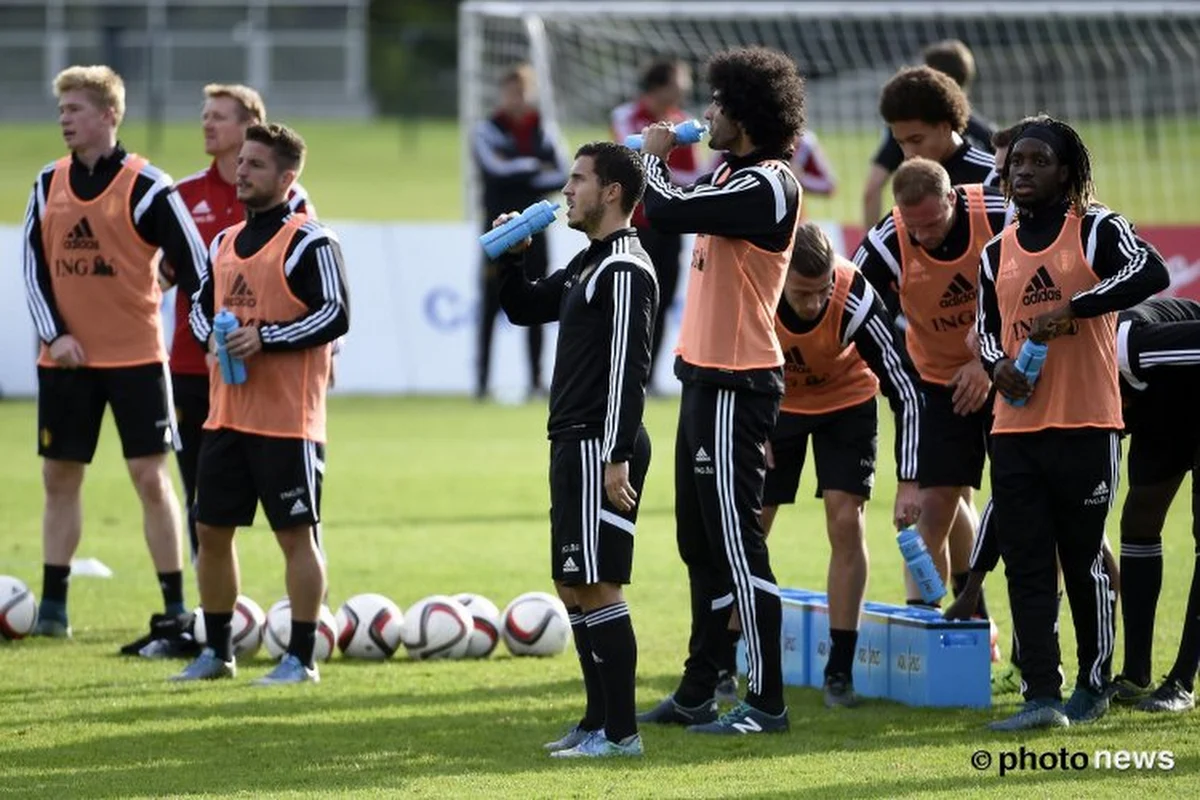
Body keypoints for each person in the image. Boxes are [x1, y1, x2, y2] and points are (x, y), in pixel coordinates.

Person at [976, 115, 1169, 730]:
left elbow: (1151, 272)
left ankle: (1095, 683)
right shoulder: (994, 251)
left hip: (1086, 423)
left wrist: (1074, 307)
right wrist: (997, 366)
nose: (1023, 172)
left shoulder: (1095, 228)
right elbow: (982, 330)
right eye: (1016, 163)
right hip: (1014, 429)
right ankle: (1040, 695)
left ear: (1067, 171)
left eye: (1038, 161)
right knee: (1026, 561)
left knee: (1082, 558)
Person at [635, 46, 805, 735]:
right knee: (698, 546)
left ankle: (766, 700)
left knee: (738, 544)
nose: (704, 115)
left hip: (740, 380)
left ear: (746, 113)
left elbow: (668, 210)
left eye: (715, 103)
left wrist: (650, 158)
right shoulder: (732, 171)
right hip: (702, 376)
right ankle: (701, 687)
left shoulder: (769, 182)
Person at [21, 65, 208, 639]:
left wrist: (190, 319)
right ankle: (53, 608)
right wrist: (55, 335)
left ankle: (175, 604)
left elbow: (197, 265)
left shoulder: (149, 186)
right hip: (67, 361)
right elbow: (32, 268)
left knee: (150, 478)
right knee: (59, 477)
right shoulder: (46, 182)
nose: (64, 120)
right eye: (61, 111)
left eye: (74, 110)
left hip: (136, 359)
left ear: (108, 115)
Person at [493, 140, 657, 758]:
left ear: (611, 192)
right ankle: (596, 723)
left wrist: (616, 455)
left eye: (578, 180)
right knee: (573, 583)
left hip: (600, 444)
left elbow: (628, 369)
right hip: (573, 441)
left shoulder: (624, 269)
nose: (566, 192)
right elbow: (522, 308)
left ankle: (622, 735)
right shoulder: (590, 263)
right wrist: (514, 258)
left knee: (601, 584)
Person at [172, 122, 349, 684]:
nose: (242, 171)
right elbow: (198, 305)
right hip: (226, 414)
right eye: (241, 162)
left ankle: (301, 657)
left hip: (287, 421)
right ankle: (218, 651)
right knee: (210, 531)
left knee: (295, 536)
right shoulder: (222, 243)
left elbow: (335, 315)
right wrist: (212, 337)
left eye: (255, 165)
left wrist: (264, 337)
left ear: (287, 176)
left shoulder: (310, 240)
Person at [730, 222, 923, 708]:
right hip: (776, 406)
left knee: (845, 519)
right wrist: (752, 433)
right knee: (752, 525)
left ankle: (840, 671)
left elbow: (903, 387)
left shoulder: (855, 294)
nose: (813, 303)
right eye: (802, 293)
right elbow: (727, 364)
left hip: (846, 402)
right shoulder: (756, 287)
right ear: (781, 278)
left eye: (820, 292)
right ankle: (720, 657)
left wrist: (909, 480)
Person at [164, 83, 315, 566]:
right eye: (204, 115)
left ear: (249, 124)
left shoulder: (293, 199)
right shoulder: (182, 195)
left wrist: (329, 350)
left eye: (219, 116)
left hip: (271, 377)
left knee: (293, 513)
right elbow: (166, 276)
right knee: (203, 504)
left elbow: (315, 285)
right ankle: (209, 616)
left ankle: (306, 615)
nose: (207, 124)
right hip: (192, 364)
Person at [854, 158, 1010, 622]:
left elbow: (1045, 291)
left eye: (932, 223)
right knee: (933, 508)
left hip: (1010, 376)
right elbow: (852, 302)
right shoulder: (887, 242)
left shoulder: (1000, 214)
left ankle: (1041, 649)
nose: (923, 236)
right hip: (938, 388)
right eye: (913, 227)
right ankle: (928, 631)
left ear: (952, 199)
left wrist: (987, 359)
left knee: (1035, 510)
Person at [472, 64, 568, 401]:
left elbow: (561, 174)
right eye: (512, 92)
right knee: (488, 304)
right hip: (496, 228)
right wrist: (532, 166)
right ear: (502, 94)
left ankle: (536, 381)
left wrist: (519, 167)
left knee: (538, 299)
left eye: (523, 91)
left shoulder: (544, 129)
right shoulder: (486, 130)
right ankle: (482, 383)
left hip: (536, 231)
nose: (518, 98)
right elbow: (494, 170)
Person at [611, 59, 703, 389]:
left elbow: (694, 176)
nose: (687, 86)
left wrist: (658, 168)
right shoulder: (626, 117)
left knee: (661, 303)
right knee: (632, 304)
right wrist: (660, 165)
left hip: (669, 226)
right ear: (661, 85)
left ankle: (647, 380)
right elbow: (629, 163)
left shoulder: (681, 124)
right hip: (635, 227)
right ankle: (623, 375)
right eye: (681, 80)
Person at [861, 39, 996, 227]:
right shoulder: (988, 133)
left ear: (946, 127)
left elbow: (872, 188)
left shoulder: (994, 178)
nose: (908, 154)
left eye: (916, 140)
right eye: (900, 143)